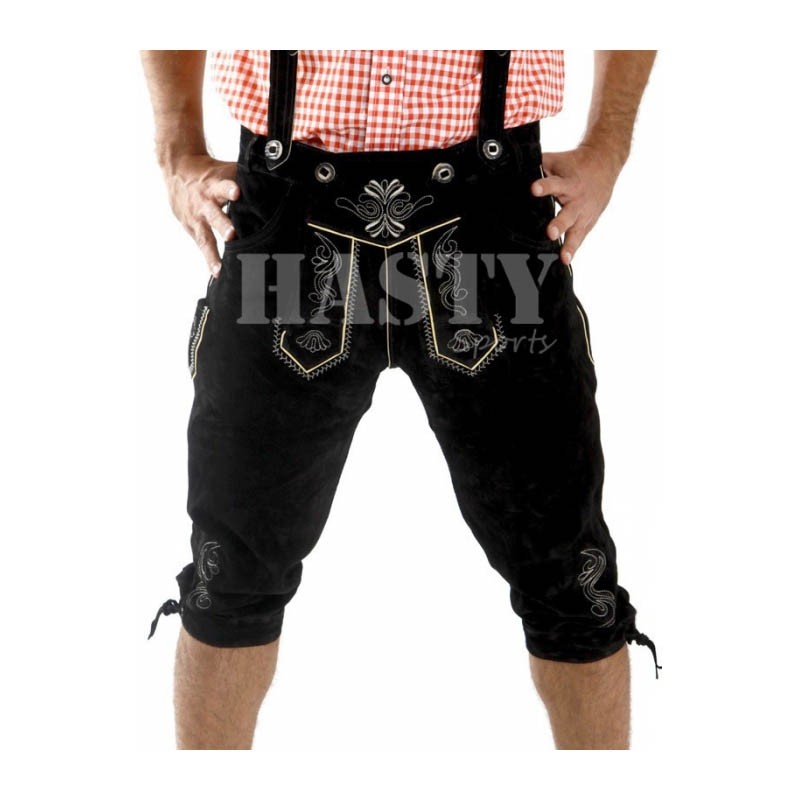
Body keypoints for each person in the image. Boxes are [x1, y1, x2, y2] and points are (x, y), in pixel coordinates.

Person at [141, 49, 660, 750]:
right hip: (290, 222)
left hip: (490, 225)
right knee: (227, 575)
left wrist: (609, 146)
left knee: (570, 579)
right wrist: (176, 147)